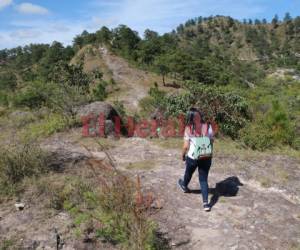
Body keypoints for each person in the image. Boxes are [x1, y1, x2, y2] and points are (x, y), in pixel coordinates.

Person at [178, 108, 215, 212]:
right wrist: (208, 152)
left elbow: (185, 146)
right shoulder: (208, 126)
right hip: (206, 156)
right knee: (203, 180)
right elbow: (212, 141)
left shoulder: (188, 128)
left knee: (188, 173)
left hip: (193, 157)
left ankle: (184, 185)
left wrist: (182, 155)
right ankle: (206, 204)